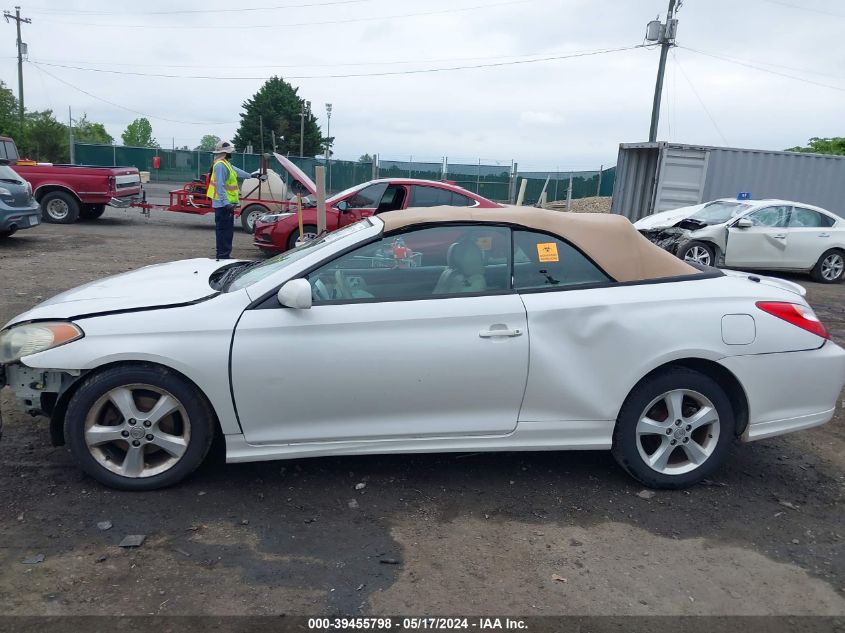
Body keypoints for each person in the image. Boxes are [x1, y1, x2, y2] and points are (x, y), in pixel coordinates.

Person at [206, 140, 262, 259]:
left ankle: (224, 255)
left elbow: (236, 171)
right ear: (225, 153)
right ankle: (222, 256)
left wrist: (251, 175)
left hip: (226, 204)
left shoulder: (225, 163)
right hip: (223, 205)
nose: (231, 153)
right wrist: (226, 203)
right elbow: (220, 186)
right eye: (229, 151)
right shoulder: (220, 165)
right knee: (224, 232)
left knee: (227, 232)